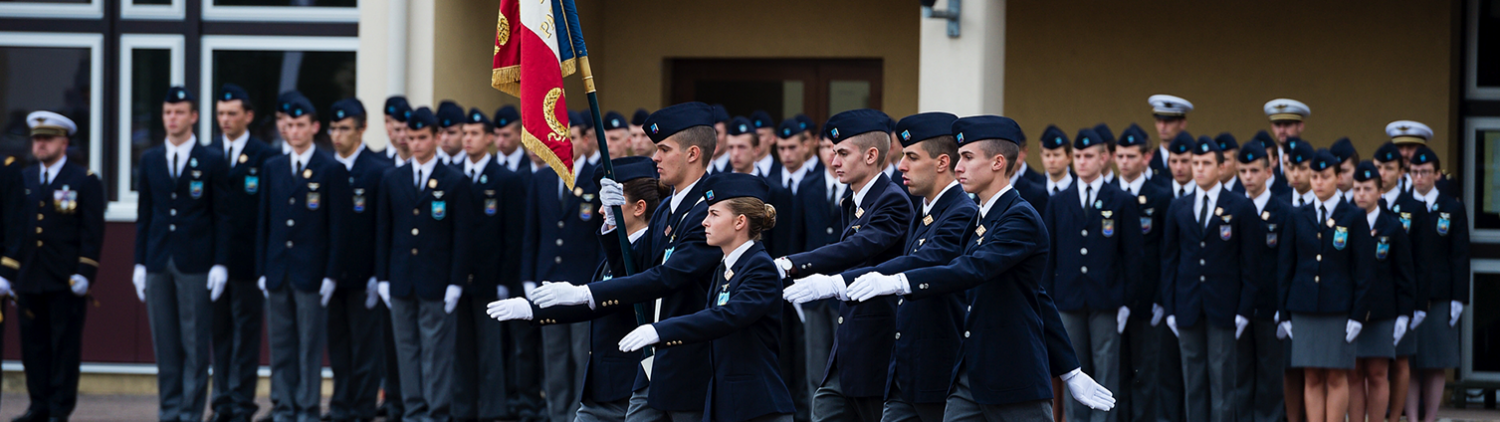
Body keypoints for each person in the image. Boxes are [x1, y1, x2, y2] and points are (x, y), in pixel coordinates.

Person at [844, 114, 1116, 420]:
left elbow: (973, 269)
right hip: (970, 375)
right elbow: (1036, 296)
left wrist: (899, 282)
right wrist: (1070, 369)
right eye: (959, 157)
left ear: (998, 162)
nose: (958, 167)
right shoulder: (978, 219)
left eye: (968, 158)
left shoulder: (1020, 217)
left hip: (1014, 376)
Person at [526, 102, 722, 421]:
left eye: (663, 149)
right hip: (652, 368)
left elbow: (665, 276)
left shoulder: (708, 210)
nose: (654, 157)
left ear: (693, 153)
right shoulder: (667, 211)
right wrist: (614, 226)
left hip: (689, 364)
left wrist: (586, 293)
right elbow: (630, 270)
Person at [784, 112, 969, 422]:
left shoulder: (949, 210)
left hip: (915, 357)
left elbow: (910, 260)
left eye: (911, 156)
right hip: (884, 355)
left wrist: (830, 281)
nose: (902, 166)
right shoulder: (921, 211)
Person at [489, 156, 666, 422]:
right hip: (603, 389)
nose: (601, 211)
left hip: (633, 387)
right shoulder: (618, 251)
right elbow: (592, 305)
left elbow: (629, 284)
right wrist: (532, 310)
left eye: (610, 204)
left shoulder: (650, 250)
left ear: (639, 207)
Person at [615, 172, 796, 422]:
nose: (704, 222)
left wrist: (661, 331)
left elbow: (726, 316)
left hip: (757, 408)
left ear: (740, 221)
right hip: (728, 404)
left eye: (714, 214)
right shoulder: (726, 267)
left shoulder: (759, 267)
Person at [771, 109, 912, 422]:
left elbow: (857, 247)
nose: (833, 161)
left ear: (871, 155)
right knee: (825, 408)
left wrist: (792, 264)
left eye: (842, 153)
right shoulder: (854, 199)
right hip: (850, 340)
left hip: (877, 342)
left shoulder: (892, 199)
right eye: (833, 152)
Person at [134, 86, 232, 422]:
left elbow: (222, 215)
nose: (171, 119)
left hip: (196, 262)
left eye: (178, 112)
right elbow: (145, 213)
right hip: (159, 260)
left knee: (194, 344)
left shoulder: (211, 159)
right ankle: (170, 410)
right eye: (167, 113)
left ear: (193, 117)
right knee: (165, 344)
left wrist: (220, 262)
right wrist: (139, 263)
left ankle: (190, 413)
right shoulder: (149, 159)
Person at [374, 106, 475, 422]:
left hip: (437, 280)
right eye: (411, 137)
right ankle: (413, 409)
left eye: (421, 137)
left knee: (436, 352)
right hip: (402, 278)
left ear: (437, 137)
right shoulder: (393, 178)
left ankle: (436, 411)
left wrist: (456, 282)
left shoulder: (454, 181)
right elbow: (383, 232)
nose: (415, 143)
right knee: (407, 350)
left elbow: (463, 235)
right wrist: (382, 278)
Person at [255, 97, 350, 422]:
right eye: (289, 125)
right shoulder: (273, 167)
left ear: (314, 127)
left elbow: (338, 227)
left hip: (313, 272)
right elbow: (264, 223)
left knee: (309, 346)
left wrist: (331, 274)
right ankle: (283, 405)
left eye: (300, 125)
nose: (293, 131)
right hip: (279, 270)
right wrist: (262, 269)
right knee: (280, 345)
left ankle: (307, 407)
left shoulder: (330, 169)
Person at [1042, 128, 1143, 422]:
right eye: (1078, 156)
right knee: (1074, 369)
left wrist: (1125, 300)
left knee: (1106, 369)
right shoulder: (1060, 201)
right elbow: (1050, 256)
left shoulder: (1120, 200)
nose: (1081, 162)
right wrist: (1048, 297)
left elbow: (1133, 256)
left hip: (1106, 299)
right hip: (1069, 299)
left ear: (1103, 158)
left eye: (1088, 156)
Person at [12, 111, 103, 422]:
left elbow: (92, 232)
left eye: (47, 139)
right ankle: (38, 405)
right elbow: (14, 229)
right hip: (29, 278)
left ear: (64, 142)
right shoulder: (24, 179)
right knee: (33, 347)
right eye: (36, 139)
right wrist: (9, 272)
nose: (40, 145)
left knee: (64, 347)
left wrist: (85, 272)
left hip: (65, 279)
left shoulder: (83, 180)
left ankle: (59, 408)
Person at [1161, 136, 1256, 422]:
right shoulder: (1179, 206)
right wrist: (1170, 307)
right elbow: (1170, 260)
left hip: (1224, 308)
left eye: (1205, 163)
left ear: (1221, 166)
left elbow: (1250, 265)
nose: (1199, 169)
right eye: (1195, 163)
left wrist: (1243, 309)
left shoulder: (1239, 206)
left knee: (1223, 381)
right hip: (1188, 305)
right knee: (1194, 381)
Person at [1277, 149, 1373, 422]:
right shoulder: (1298, 215)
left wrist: (1357, 314)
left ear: (1339, 178)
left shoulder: (1353, 216)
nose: (1318, 182)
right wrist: (1283, 313)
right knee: (1311, 375)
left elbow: (1364, 271)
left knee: (1335, 374)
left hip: (1338, 309)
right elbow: (1286, 267)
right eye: (1315, 176)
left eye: (1325, 177)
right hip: (1304, 307)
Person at [202, 83, 276, 422]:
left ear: (248, 115)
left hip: (248, 262)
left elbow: (266, 214)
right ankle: (222, 403)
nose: (225, 120)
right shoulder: (207, 153)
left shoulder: (265, 156)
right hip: (215, 261)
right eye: (220, 113)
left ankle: (242, 403)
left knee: (246, 337)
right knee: (220, 336)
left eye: (232, 113)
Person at [525, 110, 604, 422]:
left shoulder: (597, 179)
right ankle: (557, 414)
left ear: (585, 140)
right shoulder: (542, 177)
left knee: (581, 354)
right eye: (560, 138)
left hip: (581, 284)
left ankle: (578, 416)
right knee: (554, 356)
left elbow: (602, 237)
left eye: (571, 138)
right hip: (548, 281)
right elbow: (532, 233)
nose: (565, 144)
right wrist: (528, 277)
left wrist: (597, 283)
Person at [453, 108, 526, 422]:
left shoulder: (505, 179)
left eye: (474, 134)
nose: (467, 139)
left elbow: (513, 236)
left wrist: (504, 279)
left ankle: (492, 410)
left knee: (490, 350)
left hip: (490, 277)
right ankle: (463, 409)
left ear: (489, 138)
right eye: (464, 133)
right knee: (461, 350)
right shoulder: (453, 177)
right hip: (458, 278)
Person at [324, 98, 393, 422]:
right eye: (334, 128)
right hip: (333, 275)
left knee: (366, 349)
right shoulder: (325, 169)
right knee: (338, 348)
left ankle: (362, 409)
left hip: (365, 275)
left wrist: (378, 276)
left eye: (345, 128)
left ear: (362, 129)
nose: (337, 135)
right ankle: (340, 406)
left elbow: (382, 228)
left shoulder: (378, 171)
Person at [1395, 146, 1468, 422]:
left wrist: (1458, 297)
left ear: (1437, 174)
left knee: (1435, 361)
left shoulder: (1452, 207)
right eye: (1414, 172)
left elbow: (1460, 255)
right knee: (1411, 361)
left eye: (1425, 172)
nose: (1420, 178)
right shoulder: (1401, 206)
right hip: (1409, 294)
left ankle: (1431, 417)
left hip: (1440, 293)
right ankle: (1413, 417)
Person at [1113, 123, 1178, 422]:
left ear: (1147, 157)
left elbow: (1167, 252)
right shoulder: (1109, 194)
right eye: (1120, 156)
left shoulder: (1161, 195)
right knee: (1116, 374)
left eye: (1131, 156)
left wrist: (1161, 299)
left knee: (1147, 376)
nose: (1125, 162)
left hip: (1149, 301)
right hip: (1114, 300)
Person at [1346, 161, 1415, 422]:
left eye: (1367, 188)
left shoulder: (1392, 227)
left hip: (1382, 311)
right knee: (1353, 374)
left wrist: (1404, 314)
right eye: (1356, 188)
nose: (1361, 194)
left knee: (1376, 373)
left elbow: (1404, 275)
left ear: (1379, 192)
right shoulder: (1346, 223)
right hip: (1352, 311)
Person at [1233, 139, 1293, 422]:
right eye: (1243, 171)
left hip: (1271, 308)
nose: (1248, 177)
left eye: (1254, 171)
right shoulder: (1232, 209)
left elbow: (1286, 264)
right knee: (1240, 375)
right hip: (1239, 307)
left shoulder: (1283, 212)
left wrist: (1284, 309)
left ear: (1269, 172)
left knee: (1270, 376)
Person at [376, 94, 412, 420]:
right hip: (388, 270)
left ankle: (408, 401)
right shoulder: (378, 166)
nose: (398, 134)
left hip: (415, 274)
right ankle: (391, 399)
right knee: (387, 343)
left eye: (404, 127)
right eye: (392, 125)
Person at [1146, 94, 1193, 176]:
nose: (1162, 126)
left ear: (1182, 123)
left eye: (1169, 121)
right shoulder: (1148, 160)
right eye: (1159, 121)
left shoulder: (1196, 158)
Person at [1263, 99, 1309, 171]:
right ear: (1272, 127)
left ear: (1300, 126)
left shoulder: (1310, 158)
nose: (1282, 130)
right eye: (1277, 125)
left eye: (1288, 124)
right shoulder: (1265, 159)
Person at [1038, 126, 1073, 196]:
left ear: (1069, 157)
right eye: (1047, 155)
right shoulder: (1035, 187)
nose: (1051, 160)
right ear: (1041, 157)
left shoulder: (1079, 187)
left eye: (1056, 155)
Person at [1284, 139, 1317, 207]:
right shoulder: (1281, 204)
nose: (1295, 174)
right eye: (1291, 168)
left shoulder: (1321, 204)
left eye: (1302, 168)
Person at [434, 101, 468, 166]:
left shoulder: (472, 162)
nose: (444, 138)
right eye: (440, 132)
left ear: (464, 133)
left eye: (451, 133)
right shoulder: (430, 162)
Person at [1164, 133, 1197, 199]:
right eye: (1174, 161)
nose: (1179, 168)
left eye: (1184, 161)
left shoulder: (1204, 194)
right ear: (1168, 162)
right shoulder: (1160, 194)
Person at [1329, 138, 1358, 204]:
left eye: (1344, 171)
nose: (1339, 176)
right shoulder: (1323, 200)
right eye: (1336, 171)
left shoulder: (1365, 202)